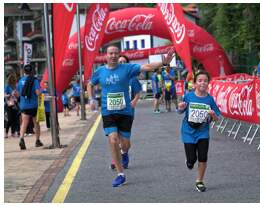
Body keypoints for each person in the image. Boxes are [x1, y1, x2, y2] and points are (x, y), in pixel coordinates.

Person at [87, 45, 174, 187]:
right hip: (108, 112)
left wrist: (163, 63)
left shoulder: (127, 68)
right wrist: (91, 99)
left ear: (118, 55)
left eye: (116, 53)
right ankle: (121, 174)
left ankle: (124, 152)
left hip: (125, 112)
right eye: (111, 53)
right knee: (113, 139)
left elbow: (146, 66)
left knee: (125, 144)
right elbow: (90, 84)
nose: (113, 56)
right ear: (106, 56)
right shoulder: (100, 71)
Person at [177, 70, 221, 192]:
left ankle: (199, 181)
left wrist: (213, 115)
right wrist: (180, 108)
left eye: (205, 81)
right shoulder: (188, 96)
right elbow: (180, 111)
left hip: (203, 132)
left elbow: (217, 118)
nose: (203, 83)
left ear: (208, 83)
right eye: (200, 81)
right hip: (188, 131)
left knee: (203, 157)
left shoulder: (210, 100)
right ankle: (189, 161)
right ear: (195, 83)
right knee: (192, 159)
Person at [110, 55, 142, 170]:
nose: (122, 63)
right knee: (115, 136)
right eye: (120, 62)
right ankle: (117, 158)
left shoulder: (132, 78)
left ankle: (124, 153)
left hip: (127, 112)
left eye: (124, 61)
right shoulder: (113, 76)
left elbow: (138, 93)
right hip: (114, 111)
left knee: (124, 138)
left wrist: (134, 101)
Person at [16, 64, 43, 150]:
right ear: (32, 71)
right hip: (33, 105)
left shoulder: (20, 81)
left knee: (24, 123)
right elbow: (38, 93)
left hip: (24, 105)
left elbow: (17, 94)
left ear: (24, 71)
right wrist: (41, 93)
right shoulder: (34, 80)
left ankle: (21, 139)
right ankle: (37, 141)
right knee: (36, 123)